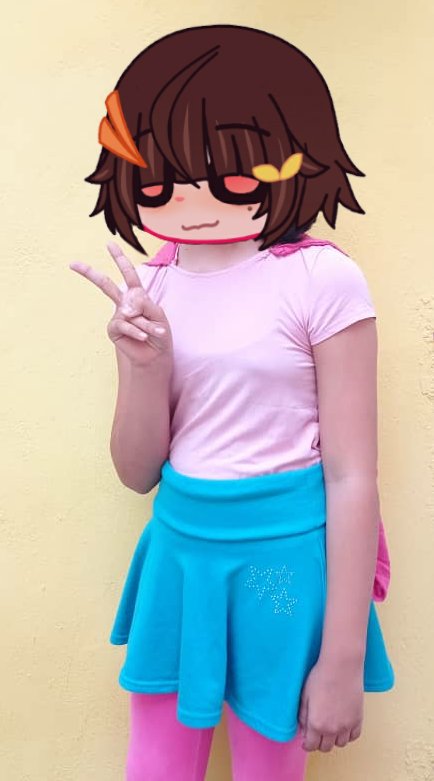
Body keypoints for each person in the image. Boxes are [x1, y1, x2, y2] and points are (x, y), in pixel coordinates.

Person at [70, 24, 395, 781]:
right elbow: (137, 472)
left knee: (267, 767)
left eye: (235, 176)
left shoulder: (321, 279)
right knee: (154, 767)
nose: (192, 201)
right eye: (161, 181)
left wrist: (342, 659)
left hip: (281, 566)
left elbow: (352, 474)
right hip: (177, 554)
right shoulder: (154, 284)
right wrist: (143, 364)